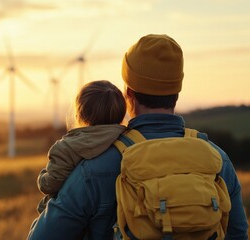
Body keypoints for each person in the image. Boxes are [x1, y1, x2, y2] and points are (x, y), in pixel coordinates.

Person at [27, 34, 248, 240]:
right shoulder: (217, 161)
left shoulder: (93, 169)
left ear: (128, 94)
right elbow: (237, 234)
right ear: (177, 92)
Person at [36, 80, 127, 214]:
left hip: (69, 221)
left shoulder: (66, 149)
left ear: (80, 114)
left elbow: (49, 185)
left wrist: (42, 176)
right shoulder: (127, 141)